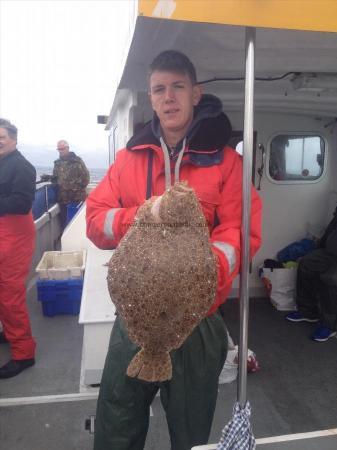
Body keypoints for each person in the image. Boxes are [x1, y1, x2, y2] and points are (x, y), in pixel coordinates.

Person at [86, 50, 262, 450]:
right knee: (117, 419)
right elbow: (97, 219)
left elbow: (242, 231)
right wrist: (148, 214)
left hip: (197, 320)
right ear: (150, 98)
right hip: (134, 320)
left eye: (177, 87)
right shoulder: (127, 159)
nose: (168, 97)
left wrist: (198, 276)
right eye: (159, 89)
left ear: (195, 93)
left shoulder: (227, 164)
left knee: (191, 427)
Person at [0, 118, 36, 378]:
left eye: (1, 137)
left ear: (13, 139)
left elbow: (21, 204)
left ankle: (24, 354)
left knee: (9, 295)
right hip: (3, 232)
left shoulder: (22, 166)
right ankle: (9, 333)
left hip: (14, 235)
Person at [286, 207, 337, 342]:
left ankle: (330, 325)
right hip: (330, 252)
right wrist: (320, 245)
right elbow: (332, 226)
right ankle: (308, 311)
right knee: (306, 263)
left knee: (331, 278)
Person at [41, 140, 90, 228]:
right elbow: (56, 179)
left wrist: (74, 188)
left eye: (62, 149)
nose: (60, 151)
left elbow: (86, 178)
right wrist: (49, 177)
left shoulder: (77, 161)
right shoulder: (57, 163)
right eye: (59, 149)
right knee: (64, 223)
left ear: (67, 148)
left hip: (76, 199)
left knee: (76, 224)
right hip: (62, 199)